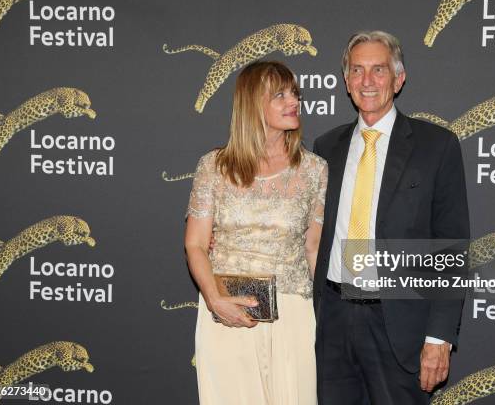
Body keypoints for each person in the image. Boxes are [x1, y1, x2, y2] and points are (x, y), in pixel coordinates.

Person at [312, 31, 470, 404]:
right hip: (332, 320)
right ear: (347, 81)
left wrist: (438, 338)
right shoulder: (325, 148)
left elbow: (451, 250)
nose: (367, 81)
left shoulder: (437, 146)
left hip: (399, 325)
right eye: (357, 70)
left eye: (378, 70)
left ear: (398, 79)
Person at [185, 61, 328, 405]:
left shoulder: (314, 169)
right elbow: (195, 244)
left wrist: (328, 319)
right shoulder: (214, 166)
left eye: (295, 92)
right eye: (279, 94)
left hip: (293, 314)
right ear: (252, 104)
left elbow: (313, 247)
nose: (293, 100)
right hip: (226, 313)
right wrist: (215, 300)